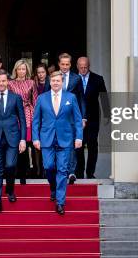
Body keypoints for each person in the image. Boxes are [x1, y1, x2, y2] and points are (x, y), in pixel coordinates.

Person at [32, 71, 83, 215]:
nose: (55, 83)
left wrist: (78, 137)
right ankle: (53, 188)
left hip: (65, 139)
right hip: (47, 138)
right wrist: (35, 138)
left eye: (58, 81)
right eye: (53, 80)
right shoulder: (42, 98)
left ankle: (60, 202)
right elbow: (36, 120)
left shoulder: (71, 97)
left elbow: (78, 120)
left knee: (62, 169)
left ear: (62, 82)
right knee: (48, 166)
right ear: (50, 82)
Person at [0, 70, 27, 214]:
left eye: (3, 81)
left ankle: (10, 189)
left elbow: (23, 120)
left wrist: (23, 139)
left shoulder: (16, 98)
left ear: (8, 82)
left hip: (12, 137)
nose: (1, 84)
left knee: (10, 165)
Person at [75, 57, 108, 179]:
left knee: (92, 145)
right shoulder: (72, 79)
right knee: (78, 145)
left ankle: (90, 173)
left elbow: (104, 97)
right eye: (81, 67)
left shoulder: (98, 79)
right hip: (76, 117)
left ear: (89, 66)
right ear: (77, 66)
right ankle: (79, 172)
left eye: (85, 67)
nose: (83, 69)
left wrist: (107, 114)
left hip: (93, 117)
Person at [58, 53, 86, 184]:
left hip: (71, 117)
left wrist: (83, 117)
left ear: (70, 64)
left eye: (67, 64)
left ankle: (71, 172)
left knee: (72, 144)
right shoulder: (53, 78)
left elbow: (81, 99)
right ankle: (61, 170)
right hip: (56, 117)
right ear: (59, 64)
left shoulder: (76, 79)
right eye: (62, 64)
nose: (64, 66)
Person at [8, 59, 38, 183]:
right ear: (16, 70)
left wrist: (36, 117)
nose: (21, 71)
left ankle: (27, 172)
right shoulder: (10, 84)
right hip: (14, 115)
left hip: (28, 114)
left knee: (27, 144)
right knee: (15, 144)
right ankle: (15, 172)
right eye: (19, 69)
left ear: (27, 70)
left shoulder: (31, 83)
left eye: (23, 69)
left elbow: (35, 101)